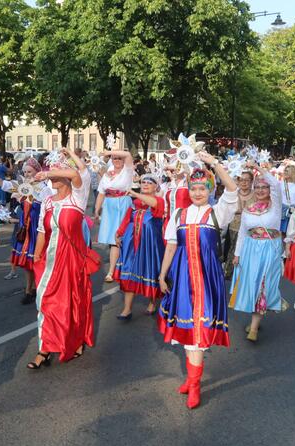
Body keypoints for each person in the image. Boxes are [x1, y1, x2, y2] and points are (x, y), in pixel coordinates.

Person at [158, 153, 238, 409]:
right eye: (193, 188)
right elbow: (171, 246)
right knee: (186, 329)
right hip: (182, 277)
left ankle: (194, 384)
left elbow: (233, 188)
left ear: (210, 190)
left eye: (203, 188)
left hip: (206, 278)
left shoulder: (218, 213)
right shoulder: (179, 215)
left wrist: (213, 163)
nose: (197, 192)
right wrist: (162, 274)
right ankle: (192, 379)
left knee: (198, 332)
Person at [28, 152, 93, 369]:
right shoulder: (47, 201)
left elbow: (76, 172)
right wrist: (36, 255)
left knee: (71, 304)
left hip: (73, 261)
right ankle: (44, 348)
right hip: (50, 260)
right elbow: (41, 232)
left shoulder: (78, 196)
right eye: (50, 175)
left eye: (57, 173)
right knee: (45, 302)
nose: (52, 178)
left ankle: (75, 341)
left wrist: (50, 169)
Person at [230, 162, 284, 342]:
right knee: (252, 284)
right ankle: (256, 319)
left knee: (263, 284)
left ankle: (253, 328)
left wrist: (257, 168)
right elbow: (243, 234)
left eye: (264, 187)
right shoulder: (248, 210)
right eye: (257, 187)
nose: (261, 190)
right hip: (250, 250)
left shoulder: (276, 205)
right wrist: (237, 254)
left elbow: (276, 184)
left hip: (270, 249)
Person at [0, 157, 51, 305]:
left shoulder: (44, 188)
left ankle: (38, 289)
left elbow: (48, 210)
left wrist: (29, 201)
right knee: (27, 263)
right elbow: (4, 185)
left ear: (37, 171)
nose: (27, 174)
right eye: (25, 172)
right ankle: (29, 289)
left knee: (37, 261)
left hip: (37, 228)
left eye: (30, 171)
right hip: (25, 227)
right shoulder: (22, 185)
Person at [113, 174, 165, 319]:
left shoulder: (159, 201)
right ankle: (127, 309)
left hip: (150, 245)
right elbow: (127, 219)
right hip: (131, 243)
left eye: (149, 183)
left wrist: (135, 193)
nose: (145, 184)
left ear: (156, 187)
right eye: (143, 182)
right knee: (129, 271)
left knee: (150, 271)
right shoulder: (135, 202)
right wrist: (118, 233)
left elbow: (153, 204)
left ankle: (152, 303)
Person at [95, 150, 134, 281]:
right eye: (114, 158)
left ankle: (118, 269)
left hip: (123, 204)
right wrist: (96, 210)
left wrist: (108, 152)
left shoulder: (127, 171)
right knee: (113, 240)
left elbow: (128, 154)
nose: (117, 160)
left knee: (121, 238)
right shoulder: (107, 174)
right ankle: (113, 270)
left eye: (119, 158)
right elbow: (101, 192)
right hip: (110, 206)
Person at [223, 171, 255, 278]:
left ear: (251, 182)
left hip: (251, 230)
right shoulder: (233, 193)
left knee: (248, 252)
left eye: (247, 180)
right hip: (234, 227)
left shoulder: (256, 195)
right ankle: (229, 274)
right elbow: (225, 209)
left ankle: (245, 274)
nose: (244, 182)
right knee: (232, 250)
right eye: (241, 179)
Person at [280, 165, 295, 234]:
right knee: (283, 231)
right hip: (283, 208)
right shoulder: (281, 183)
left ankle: (292, 245)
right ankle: (283, 244)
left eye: (287, 171)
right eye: (285, 171)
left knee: (294, 231)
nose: (285, 172)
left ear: (293, 172)